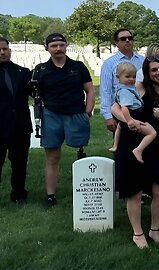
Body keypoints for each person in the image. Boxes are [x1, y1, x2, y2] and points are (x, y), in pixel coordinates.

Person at [114, 55, 159, 248]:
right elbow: (114, 106)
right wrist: (129, 121)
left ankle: (154, 229)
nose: (158, 72)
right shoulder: (139, 87)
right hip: (134, 142)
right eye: (153, 70)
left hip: (157, 145)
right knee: (134, 191)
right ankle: (137, 233)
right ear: (148, 73)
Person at [34, 33, 95, 206]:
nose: (58, 49)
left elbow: (90, 90)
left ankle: (86, 191)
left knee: (81, 154)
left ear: (66, 46)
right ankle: (50, 195)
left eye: (61, 45)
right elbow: (34, 93)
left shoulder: (78, 66)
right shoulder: (40, 70)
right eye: (54, 46)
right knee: (52, 157)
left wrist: (88, 112)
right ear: (47, 48)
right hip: (51, 115)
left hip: (76, 113)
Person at [0, 37, 32, 203]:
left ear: (10, 50)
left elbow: (34, 93)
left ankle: (19, 193)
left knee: (20, 163)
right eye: (0, 50)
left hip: (20, 126)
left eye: (5, 49)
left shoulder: (23, 72)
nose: (2, 52)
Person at [109, 62, 156, 163]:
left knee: (120, 127)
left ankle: (115, 145)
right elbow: (124, 108)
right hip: (133, 114)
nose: (131, 79)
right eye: (127, 76)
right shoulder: (126, 92)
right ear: (118, 77)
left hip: (130, 115)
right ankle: (138, 150)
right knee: (152, 133)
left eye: (134, 77)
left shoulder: (124, 88)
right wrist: (130, 120)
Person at [100, 28, 144, 134]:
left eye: (130, 38)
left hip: (141, 108)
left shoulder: (142, 60)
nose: (127, 40)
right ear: (117, 43)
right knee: (124, 146)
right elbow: (106, 90)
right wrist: (108, 116)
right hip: (121, 110)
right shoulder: (109, 63)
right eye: (123, 38)